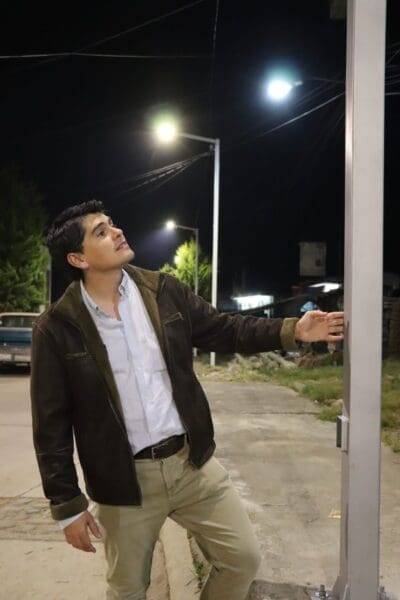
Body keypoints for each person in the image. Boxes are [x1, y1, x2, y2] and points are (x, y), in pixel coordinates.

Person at [30, 200, 344, 600]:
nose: (117, 232)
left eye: (112, 224)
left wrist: (293, 330)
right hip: (124, 483)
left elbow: (225, 329)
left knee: (242, 559)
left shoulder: (163, 291)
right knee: (127, 591)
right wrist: (67, 505)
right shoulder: (57, 327)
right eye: (101, 232)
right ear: (79, 259)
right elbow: (51, 425)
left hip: (191, 465)